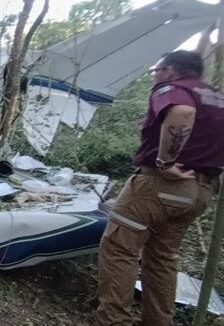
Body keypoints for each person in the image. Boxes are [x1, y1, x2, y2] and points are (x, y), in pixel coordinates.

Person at [96, 50, 224, 326]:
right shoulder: (215, 97)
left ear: (171, 70)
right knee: (162, 258)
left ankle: (113, 320)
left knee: (120, 247)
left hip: (161, 185)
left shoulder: (172, 89)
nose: (154, 76)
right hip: (200, 191)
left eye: (156, 70)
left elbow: (182, 112)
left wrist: (166, 162)